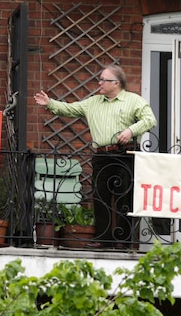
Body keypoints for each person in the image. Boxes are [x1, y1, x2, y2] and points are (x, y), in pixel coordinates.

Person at [33, 64, 156, 249]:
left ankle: (124, 241)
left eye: (103, 80)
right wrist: (50, 103)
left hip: (125, 154)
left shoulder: (134, 100)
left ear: (116, 83)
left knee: (125, 198)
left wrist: (131, 130)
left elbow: (150, 120)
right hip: (101, 155)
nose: (99, 83)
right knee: (100, 198)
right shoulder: (93, 102)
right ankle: (104, 239)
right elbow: (70, 109)